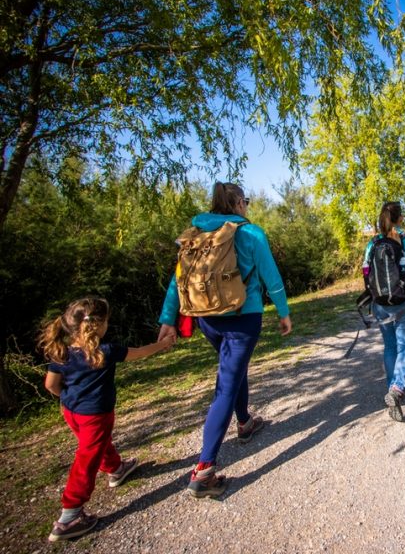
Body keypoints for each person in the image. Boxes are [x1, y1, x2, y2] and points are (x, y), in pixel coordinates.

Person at [157, 182, 292, 499]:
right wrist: (283, 312)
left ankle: (244, 422)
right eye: (245, 200)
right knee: (227, 384)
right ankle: (204, 470)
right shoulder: (251, 232)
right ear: (237, 203)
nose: (247, 206)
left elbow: (178, 279)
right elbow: (271, 278)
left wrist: (167, 318)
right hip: (243, 318)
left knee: (235, 369)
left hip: (207, 319)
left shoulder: (195, 232)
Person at [40, 297, 175, 542]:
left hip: (71, 411)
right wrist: (164, 343)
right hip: (95, 414)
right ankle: (69, 515)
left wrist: (70, 398)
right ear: (99, 325)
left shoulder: (61, 352)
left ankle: (115, 468)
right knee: (87, 457)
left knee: (95, 445)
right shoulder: (107, 352)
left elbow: (51, 385)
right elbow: (141, 352)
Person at [364, 202, 405, 422]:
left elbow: (366, 272)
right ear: (400, 218)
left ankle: (392, 387)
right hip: (404, 304)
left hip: (380, 304)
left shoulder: (373, 243)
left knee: (390, 346)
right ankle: (396, 388)